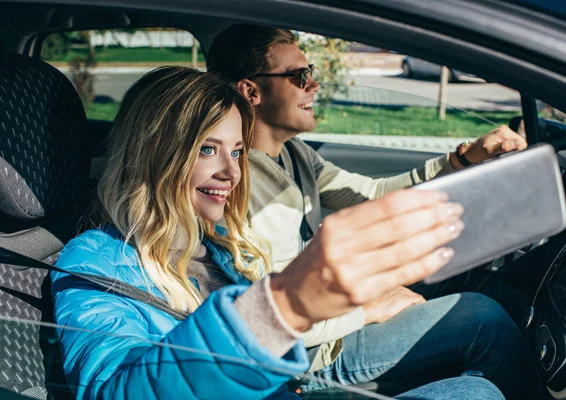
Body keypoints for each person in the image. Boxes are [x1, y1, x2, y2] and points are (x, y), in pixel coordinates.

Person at [51, 67, 505, 400]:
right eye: (208, 149)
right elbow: (115, 392)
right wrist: (284, 308)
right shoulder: (93, 264)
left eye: (237, 150)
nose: (232, 171)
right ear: (157, 152)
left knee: (474, 389)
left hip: (290, 384)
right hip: (300, 374)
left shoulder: (215, 237)